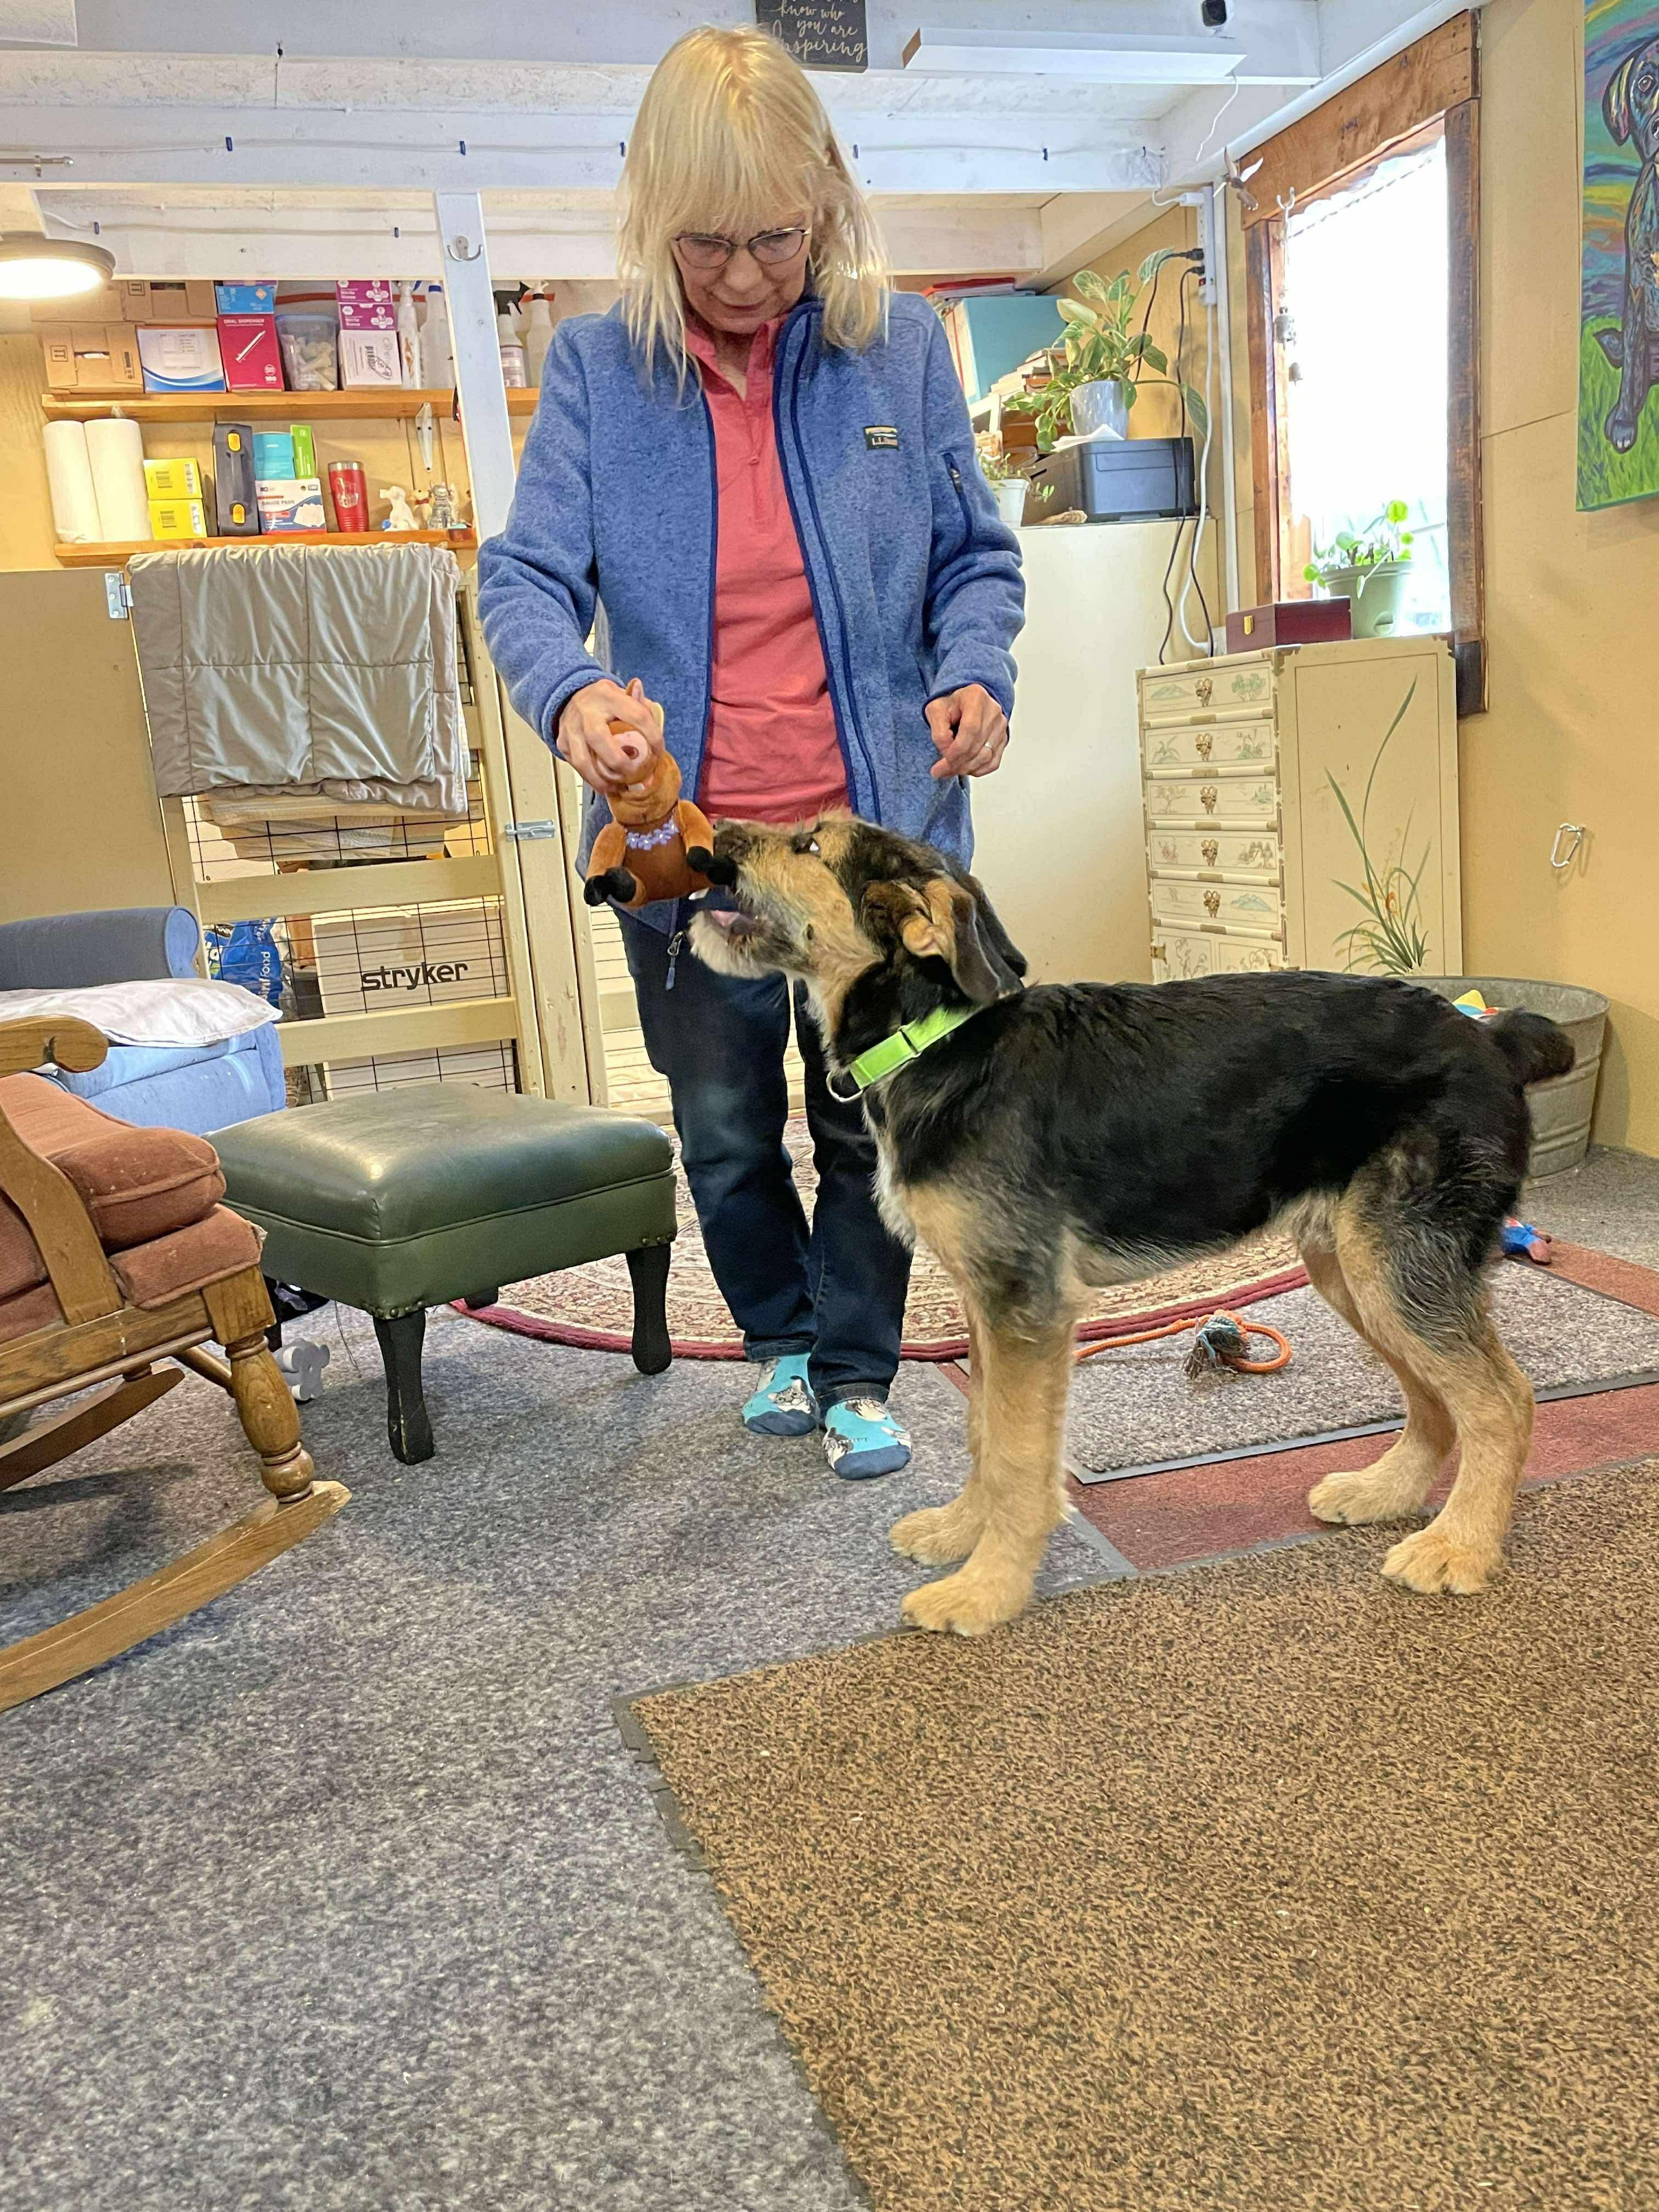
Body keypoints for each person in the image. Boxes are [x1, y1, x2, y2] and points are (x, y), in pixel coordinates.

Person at [478, 24, 1024, 1480]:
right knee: (724, 1130)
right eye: (702, 242)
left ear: (830, 200)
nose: (736, 277)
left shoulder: (898, 351)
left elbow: (976, 559)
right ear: (655, 222)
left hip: (876, 855)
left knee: (878, 1125)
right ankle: (780, 1341)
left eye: (773, 239)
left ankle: (860, 1372)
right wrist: (574, 696)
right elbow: (524, 579)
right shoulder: (600, 371)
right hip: (695, 858)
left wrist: (975, 667)